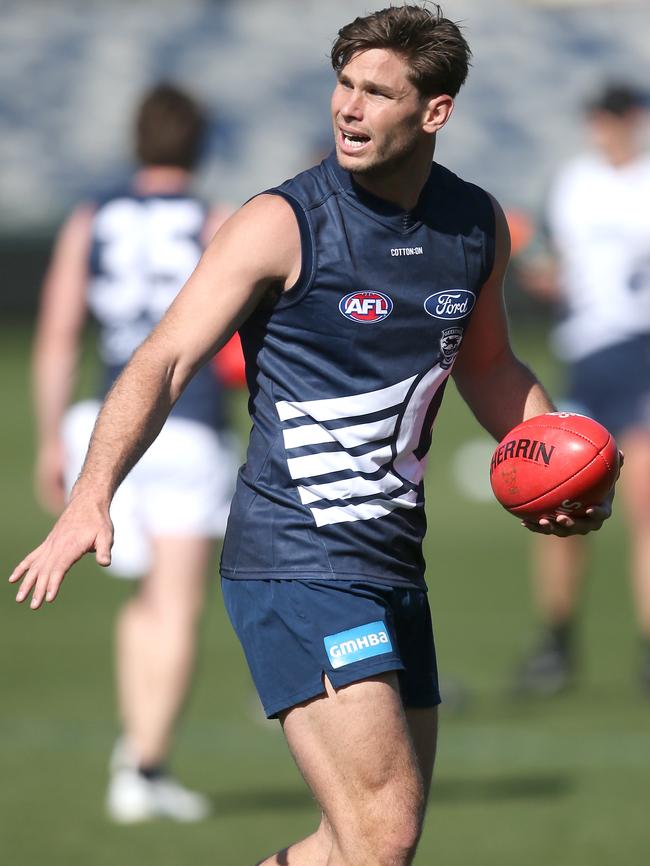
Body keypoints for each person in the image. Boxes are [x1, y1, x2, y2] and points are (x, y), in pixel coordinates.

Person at [11, 7, 616, 864]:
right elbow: (165, 358)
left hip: (394, 561)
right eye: (344, 85)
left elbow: (488, 367)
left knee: (357, 846)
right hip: (297, 557)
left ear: (434, 112)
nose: (350, 108)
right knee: (383, 833)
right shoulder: (282, 221)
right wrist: (91, 492)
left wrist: (557, 456)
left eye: (378, 92)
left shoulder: (475, 225)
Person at [30, 82, 239, 821]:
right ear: (200, 145)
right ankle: (146, 764)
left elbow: (57, 336)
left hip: (104, 420)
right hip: (184, 422)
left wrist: (50, 441)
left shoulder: (91, 219)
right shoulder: (219, 221)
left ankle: (134, 752)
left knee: (142, 597)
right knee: (176, 605)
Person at [513, 82, 650, 697]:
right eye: (597, 118)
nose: (604, 129)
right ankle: (556, 643)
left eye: (614, 118)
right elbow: (551, 259)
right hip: (585, 354)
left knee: (644, 506)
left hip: (642, 350)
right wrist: (546, 276)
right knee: (559, 496)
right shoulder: (573, 181)